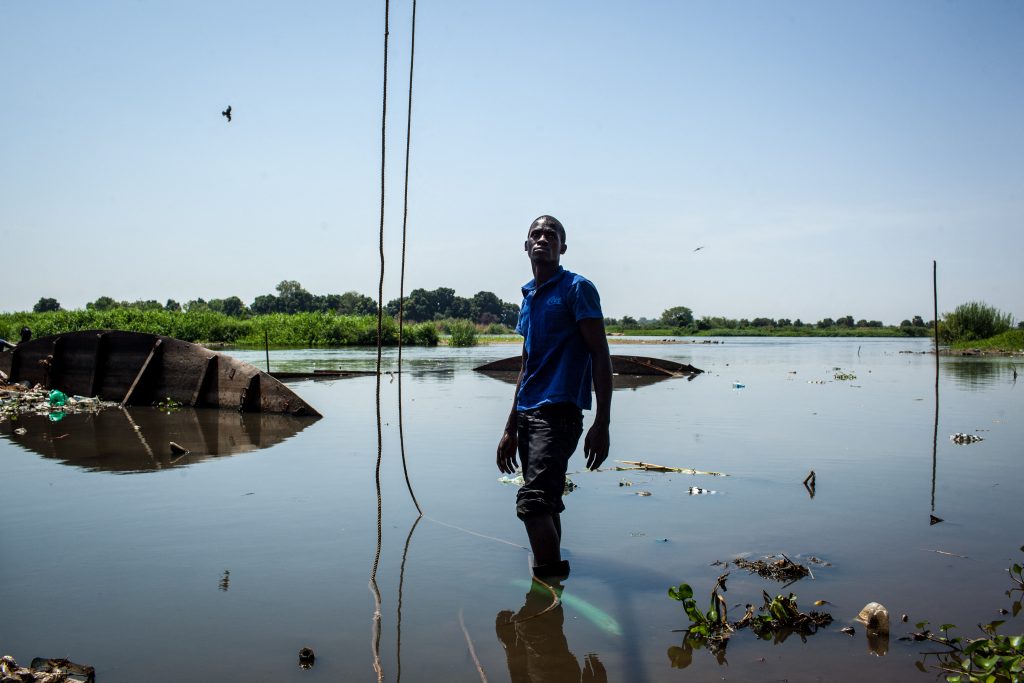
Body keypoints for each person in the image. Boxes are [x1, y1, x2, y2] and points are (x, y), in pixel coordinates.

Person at [497, 215, 613, 579]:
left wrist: (602, 423)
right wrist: (510, 427)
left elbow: (600, 353)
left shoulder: (577, 289)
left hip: (559, 412)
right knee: (547, 503)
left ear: (562, 247)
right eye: (536, 234)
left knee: (531, 503)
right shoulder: (529, 296)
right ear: (526, 245)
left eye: (552, 235)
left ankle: (546, 592)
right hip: (528, 414)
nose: (543, 238)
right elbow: (527, 365)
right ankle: (552, 602)